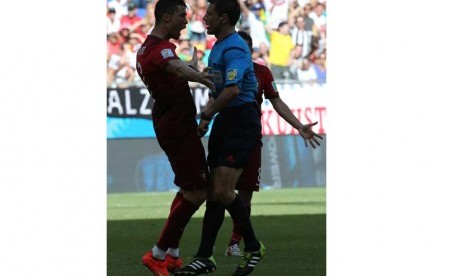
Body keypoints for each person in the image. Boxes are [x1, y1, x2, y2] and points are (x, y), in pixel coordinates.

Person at [174, 1, 265, 275]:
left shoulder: (236, 48)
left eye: (209, 14)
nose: (204, 19)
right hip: (226, 120)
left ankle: (253, 246)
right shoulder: (218, 47)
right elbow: (218, 88)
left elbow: (233, 91)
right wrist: (208, 119)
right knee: (214, 191)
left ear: (224, 18)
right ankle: (204, 256)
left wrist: (206, 113)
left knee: (223, 190)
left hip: (240, 119)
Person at [224, 30, 323, 257]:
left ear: (249, 51)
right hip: (228, 137)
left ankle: (234, 243)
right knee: (221, 191)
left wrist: (298, 125)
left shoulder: (262, 73)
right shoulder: (226, 70)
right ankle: (206, 249)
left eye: (243, 48)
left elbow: (276, 101)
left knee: (246, 193)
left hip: (251, 139)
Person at [135, 0, 215, 275]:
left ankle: (172, 254)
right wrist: (205, 80)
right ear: (167, 17)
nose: (185, 21)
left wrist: (190, 68)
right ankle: (157, 254)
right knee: (198, 191)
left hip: (171, 122)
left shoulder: (148, 48)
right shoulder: (161, 48)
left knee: (187, 188)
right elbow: (176, 69)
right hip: (177, 126)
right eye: (182, 16)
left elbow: (174, 70)